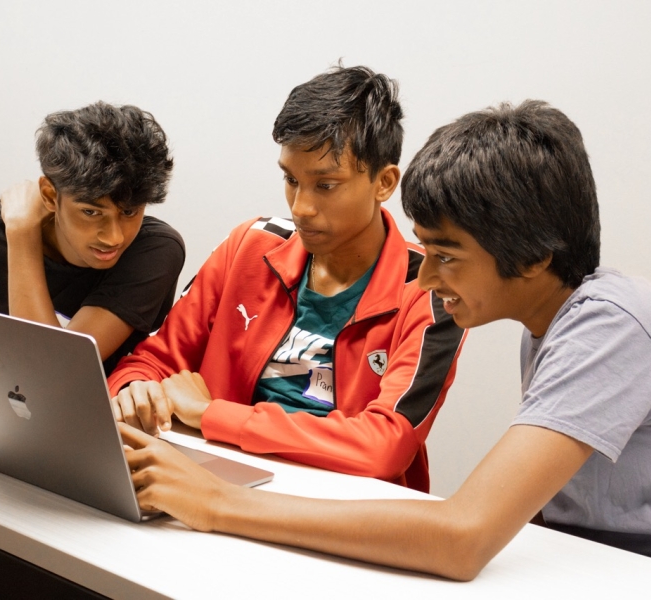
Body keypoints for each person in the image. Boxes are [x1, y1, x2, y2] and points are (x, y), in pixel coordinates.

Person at [118, 100, 651, 580]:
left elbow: (462, 537)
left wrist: (215, 503)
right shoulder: (560, 322)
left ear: (535, 257)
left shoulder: (607, 326)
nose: (425, 279)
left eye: (446, 256)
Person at [109, 66, 465, 490]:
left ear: (384, 182)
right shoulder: (250, 245)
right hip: (216, 483)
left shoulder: (433, 288)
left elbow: (383, 448)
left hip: (344, 510)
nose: (302, 207)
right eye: (291, 180)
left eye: (326, 185)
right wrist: (136, 390)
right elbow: (152, 360)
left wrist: (210, 415)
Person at [0, 102, 185, 374]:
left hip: (110, 412)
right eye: (91, 211)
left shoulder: (156, 251)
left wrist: (23, 235)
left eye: (130, 212)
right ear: (51, 196)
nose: (114, 237)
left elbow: (50, 370)